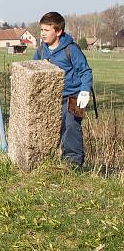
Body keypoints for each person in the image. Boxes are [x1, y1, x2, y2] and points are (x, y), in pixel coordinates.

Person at [33, 11, 93, 167]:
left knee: (72, 127)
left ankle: (73, 164)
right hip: (52, 97)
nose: (43, 34)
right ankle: (48, 161)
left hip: (74, 96)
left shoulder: (71, 49)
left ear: (58, 31)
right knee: (51, 128)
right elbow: (33, 68)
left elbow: (85, 71)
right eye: (41, 30)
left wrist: (85, 91)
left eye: (47, 30)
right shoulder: (41, 51)